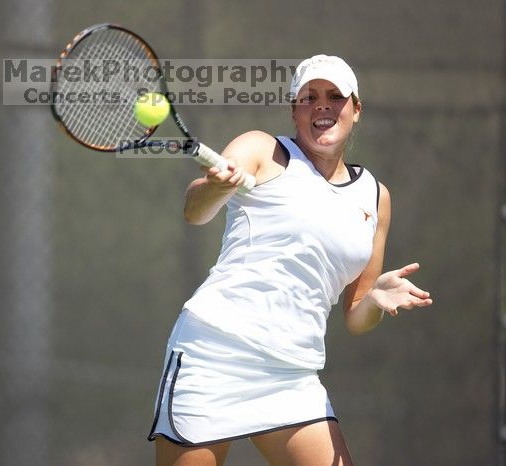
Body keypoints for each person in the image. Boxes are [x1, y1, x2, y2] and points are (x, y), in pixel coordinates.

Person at [147, 55, 433, 466]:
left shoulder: (375, 197)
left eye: (335, 96)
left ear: (356, 109)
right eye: (309, 97)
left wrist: (376, 300)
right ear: (294, 109)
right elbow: (196, 210)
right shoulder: (262, 149)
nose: (322, 105)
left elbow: (355, 315)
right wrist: (214, 186)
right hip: (214, 352)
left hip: (291, 374)